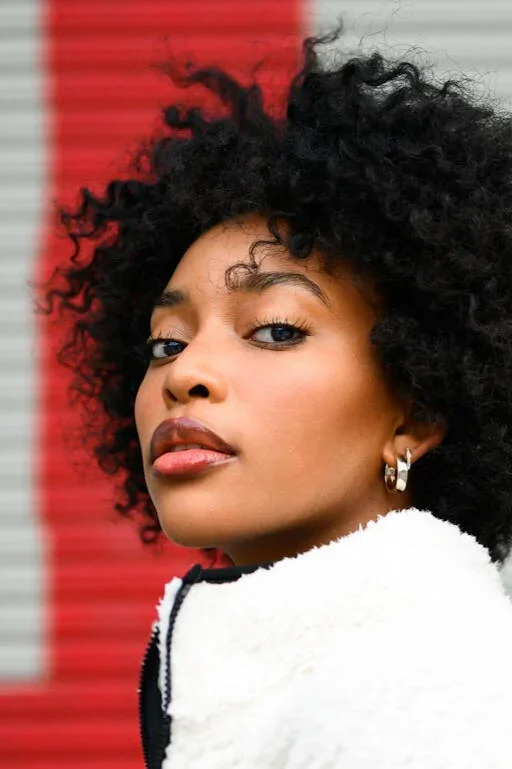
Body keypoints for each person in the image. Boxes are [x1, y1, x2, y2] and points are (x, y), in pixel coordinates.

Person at [41, 26, 512, 769]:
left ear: (417, 409)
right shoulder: (278, 677)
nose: (185, 373)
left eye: (275, 329)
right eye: (166, 342)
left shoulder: (439, 687)